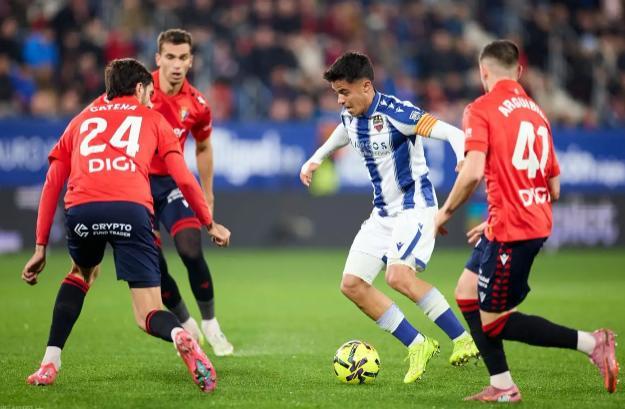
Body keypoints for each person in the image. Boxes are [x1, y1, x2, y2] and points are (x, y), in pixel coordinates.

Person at [23, 58, 231, 393]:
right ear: (139, 88)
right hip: (131, 210)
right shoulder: (153, 119)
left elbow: (52, 182)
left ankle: (49, 362)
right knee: (147, 313)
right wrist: (209, 222)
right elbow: (183, 178)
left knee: (81, 273)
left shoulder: (81, 119)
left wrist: (40, 246)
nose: (152, 97)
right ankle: (178, 332)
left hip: (82, 210)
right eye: (149, 91)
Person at [434, 39, 619, 402]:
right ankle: (502, 385)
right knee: (466, 292)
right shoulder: (537, 113)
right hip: (521, 221)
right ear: (519, 71)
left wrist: (444, 213)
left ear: (483, 72)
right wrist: (498, 215)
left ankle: (593, 343)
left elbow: (472, 173)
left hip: (512, 229)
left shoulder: (480, 109)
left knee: (495, 322)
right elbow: (554, 188)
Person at [300, 51, 479, 383]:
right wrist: (316, 158)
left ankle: (463, 339)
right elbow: (343, 131)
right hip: (382, 213)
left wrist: (461, 157)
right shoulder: (351, 115)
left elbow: (454, 133)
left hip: (414, 206)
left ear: (366, 86)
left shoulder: (399, 114)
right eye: (336, 93)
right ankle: (418, 344)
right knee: (352, 284)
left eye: (344, 92)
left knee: (398, 276)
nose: (340, 101)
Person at [148, 28, 233, 356]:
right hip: (137, 186)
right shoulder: (139, 92)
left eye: (182, 57)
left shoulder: (197, 104)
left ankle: (211, 324)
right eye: (170, 57)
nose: (176, 64)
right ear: (158, 58)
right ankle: (186, 323)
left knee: (191, 248)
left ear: (191, 61)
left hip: (172, 183)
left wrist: (207, 195)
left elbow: (203, 146)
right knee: (154, 266)